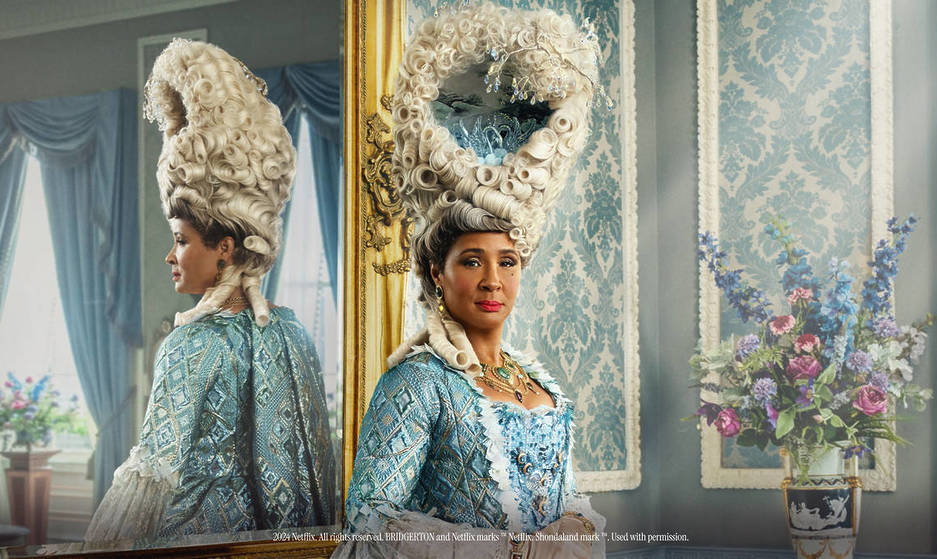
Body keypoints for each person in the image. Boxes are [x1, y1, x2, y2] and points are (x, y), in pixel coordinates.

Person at [336, 4, 605, 558]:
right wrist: (502, 552)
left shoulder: (538, 384)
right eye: (471, 260)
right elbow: (371, 520)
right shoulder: (417, 384)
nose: (492, 280)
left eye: (506, 262)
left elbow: (569, 496)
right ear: (437, 272)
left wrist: (576, 524)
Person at [85, 39, 336, 541]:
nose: (170, 256)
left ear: (224, 246)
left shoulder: (191, 343)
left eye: (180, 241)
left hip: (195, 543)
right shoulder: (289, 330)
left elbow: (151, 474)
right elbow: (314, 470)